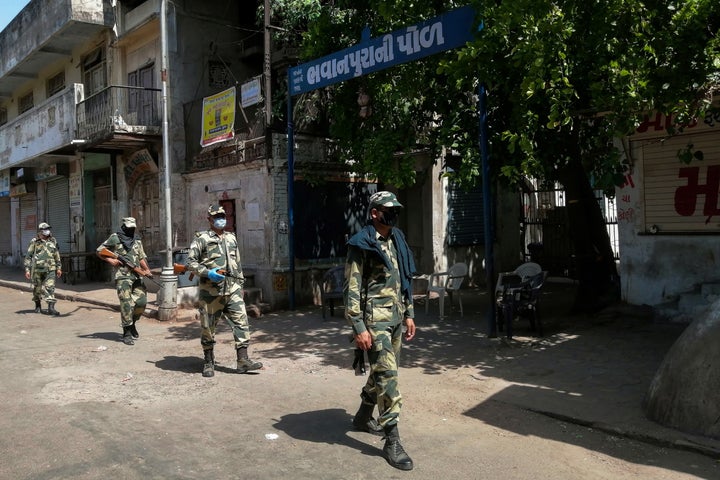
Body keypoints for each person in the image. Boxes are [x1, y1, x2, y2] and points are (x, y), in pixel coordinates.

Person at [344, 191, 417, 471]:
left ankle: (363, 416)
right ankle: (392, 440)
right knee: (388, 376)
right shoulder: (361, 244)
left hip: (396, 316)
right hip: (375, 322)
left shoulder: (397, 239)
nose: (394, 213)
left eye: (396, 208)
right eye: (389, 209)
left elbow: (403, 278)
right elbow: (351, 290)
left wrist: (409, 313)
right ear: (374, 212)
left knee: (382, 371)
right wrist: (359, 326)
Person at [186, 204, 263, 377]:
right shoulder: (202, 238)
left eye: (223, 216)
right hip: (211, 292)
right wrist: (208, 273)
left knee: (242, 323)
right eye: (217, 216)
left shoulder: (231, 238)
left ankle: (243, 361)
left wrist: (241, 285)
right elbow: (191, 263)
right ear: (209, 219)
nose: (221, 219)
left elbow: (238, 264)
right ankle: (208, 362)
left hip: (233, 289)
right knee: (208, 327)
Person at [96, 217, 152, 345]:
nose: (131, 230)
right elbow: (99, 251)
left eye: (133, 228)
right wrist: (111, 261)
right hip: (123, 276)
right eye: (129, 228)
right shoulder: (115, 237)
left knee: (141, 302)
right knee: (126, 304)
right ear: (124, 227)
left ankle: (132, 322)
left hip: (137, 275)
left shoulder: (136, 239)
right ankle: (126, 331)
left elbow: (141, 257)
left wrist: (147, 270)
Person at [24, 222, 62, 316]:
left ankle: (51, 308)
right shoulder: (34, 241)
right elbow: (28, 256)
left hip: (50, 268)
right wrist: (27, 270)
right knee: (37, 289)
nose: (47, 231)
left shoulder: (53, 240)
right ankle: (37, 305)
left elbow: (56, 255)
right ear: (40, 231)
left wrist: (58, 268)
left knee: (50, 287)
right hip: (37, 269)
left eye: (48, 229)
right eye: (45, 229)